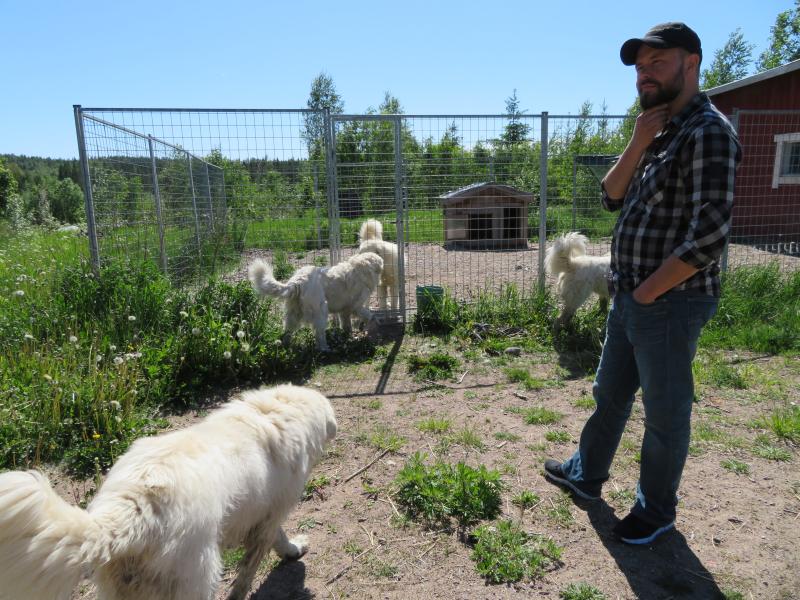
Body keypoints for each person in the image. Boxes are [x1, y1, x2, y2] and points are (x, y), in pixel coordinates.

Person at [543, 22, 742, 545]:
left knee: (664, 413)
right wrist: (637, 139)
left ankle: (656, 511)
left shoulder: (708, 131)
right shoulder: (659, 131)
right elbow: (611, 196)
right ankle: (587, 474)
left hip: (671, 302)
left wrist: (651, 290)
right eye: (639, 68)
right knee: (609, 394)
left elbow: (710, 235)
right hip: (630, 294)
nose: (645, 75)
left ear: (691, 63)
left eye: (658, 63)